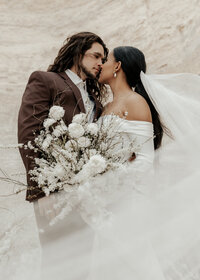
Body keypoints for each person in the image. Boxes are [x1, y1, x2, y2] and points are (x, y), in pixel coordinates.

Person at [18, 31, 108, 203]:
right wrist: (41, 192)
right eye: (96, 56)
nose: (100, 63)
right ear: (78, 53)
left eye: (103, 60)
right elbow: (28, 135)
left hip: (88, 194)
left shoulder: (95, 99)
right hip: (52, 191)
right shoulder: (46, 80)